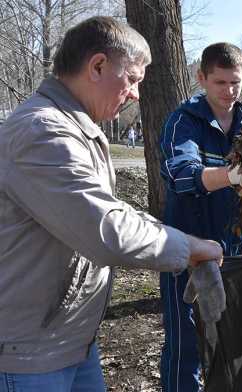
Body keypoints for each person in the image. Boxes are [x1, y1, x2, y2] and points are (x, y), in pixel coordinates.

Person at [0, 16, 225, 392]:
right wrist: (189, 248)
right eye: (133, 79)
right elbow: (106, 229)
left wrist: (179, 239)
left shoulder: (76, 128)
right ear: (98, 66)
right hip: (29, 355)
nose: (136, 93)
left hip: (72, 343)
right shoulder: (42, 132)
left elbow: (111, 209)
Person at [158, 42, 242, 392]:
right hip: (187, 251)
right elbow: (183, 174)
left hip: (234, 249)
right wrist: (230, 175)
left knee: (232, 337)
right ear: (202, 78)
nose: (229, 92)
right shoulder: (183, 122)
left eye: (236, 83)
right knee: (185, 344)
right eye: (220, 83)